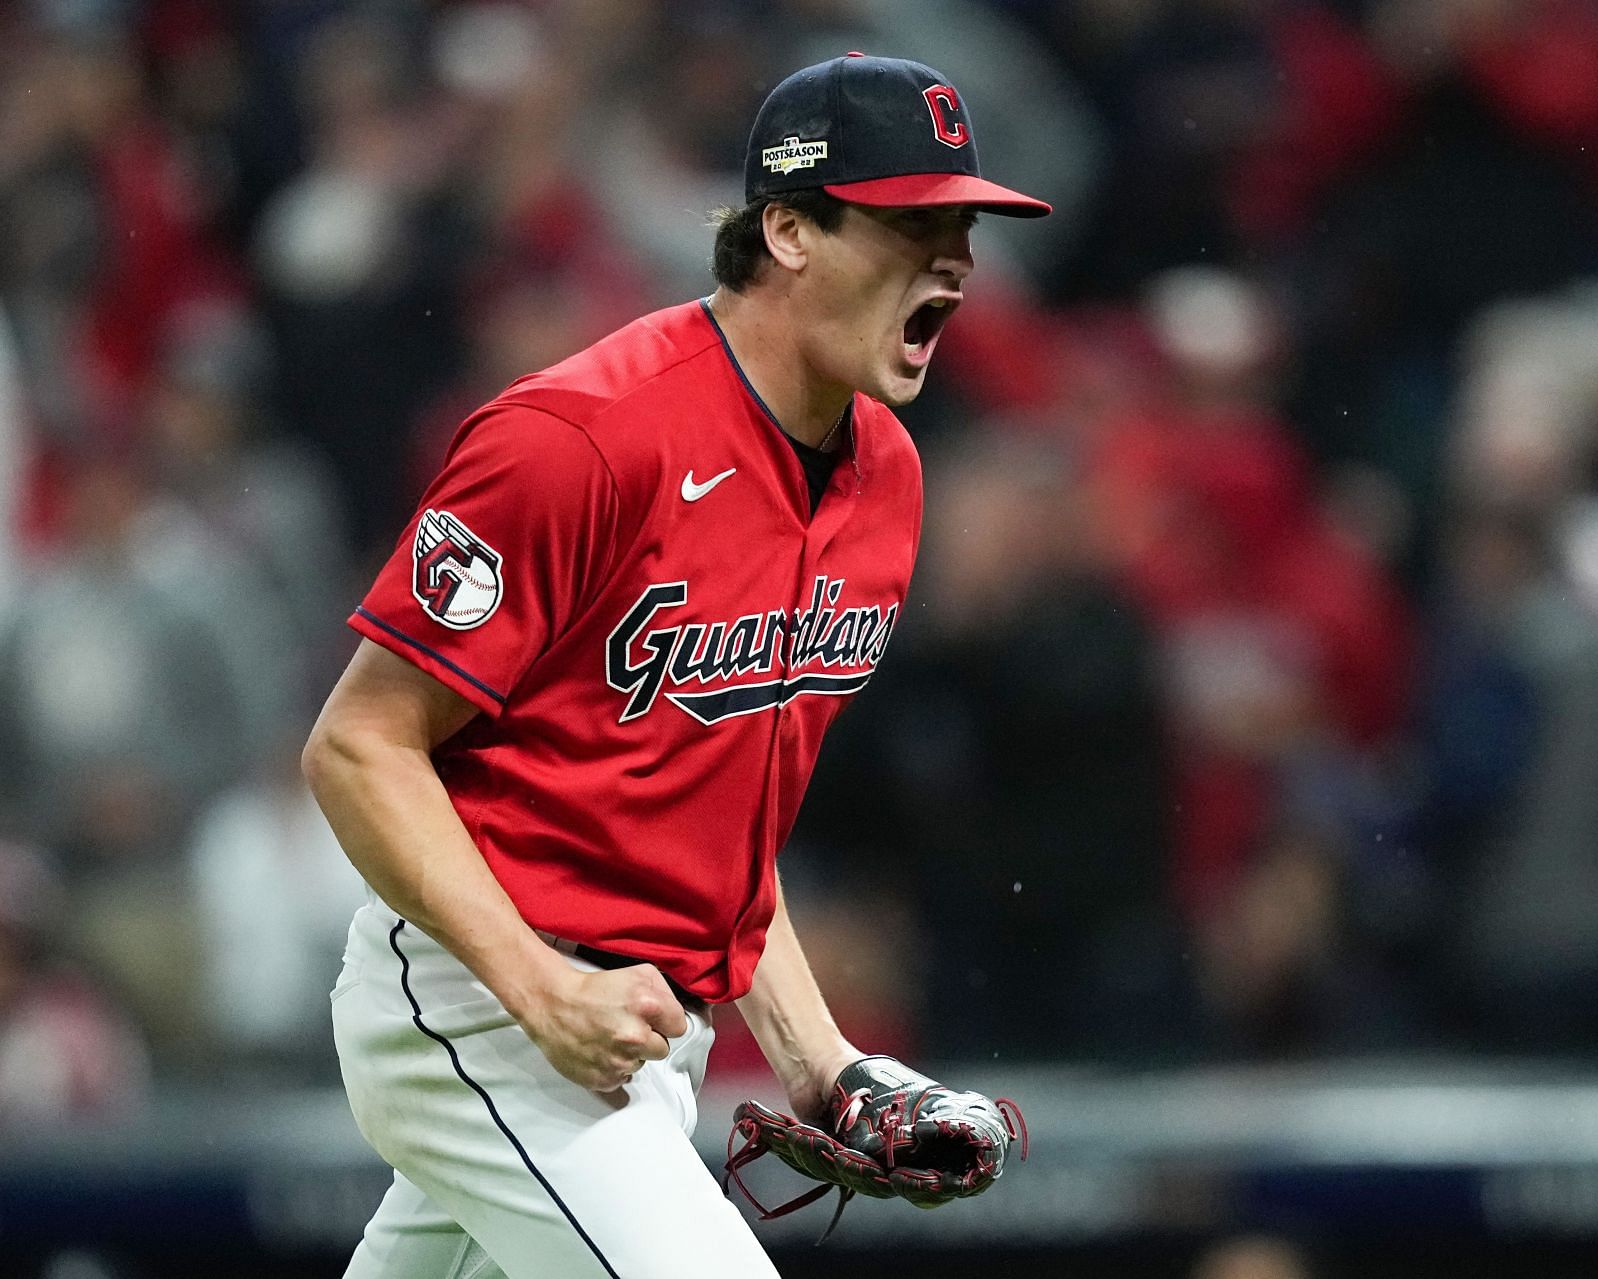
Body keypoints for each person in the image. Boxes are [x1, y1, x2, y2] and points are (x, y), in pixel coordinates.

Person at [304, 53, 1047, 1278]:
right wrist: (537, 986)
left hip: (638, 1034)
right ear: (791, 229)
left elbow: (719, 834)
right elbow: (358, 743)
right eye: (916, 223)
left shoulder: (887, 479)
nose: (956, 260)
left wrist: (824, 1062)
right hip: (480, 1005)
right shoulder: (579, 439)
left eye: (962, 224)